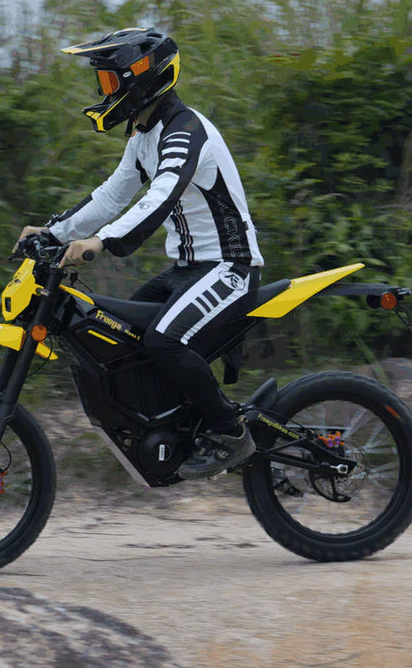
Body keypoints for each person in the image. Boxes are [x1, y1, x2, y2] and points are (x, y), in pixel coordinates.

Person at [16, 27, 264, 479]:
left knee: (162, 339)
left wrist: (100, 242)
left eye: (110, 82)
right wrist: (52, 232)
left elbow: (160, 198)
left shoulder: (187, 132)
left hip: (229, 269)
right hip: (187, 272)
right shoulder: (143, 135)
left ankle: (230, 432)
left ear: (142, 79)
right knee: (121, 335)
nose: (103, 92)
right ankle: (178, 428)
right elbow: (110, 198)